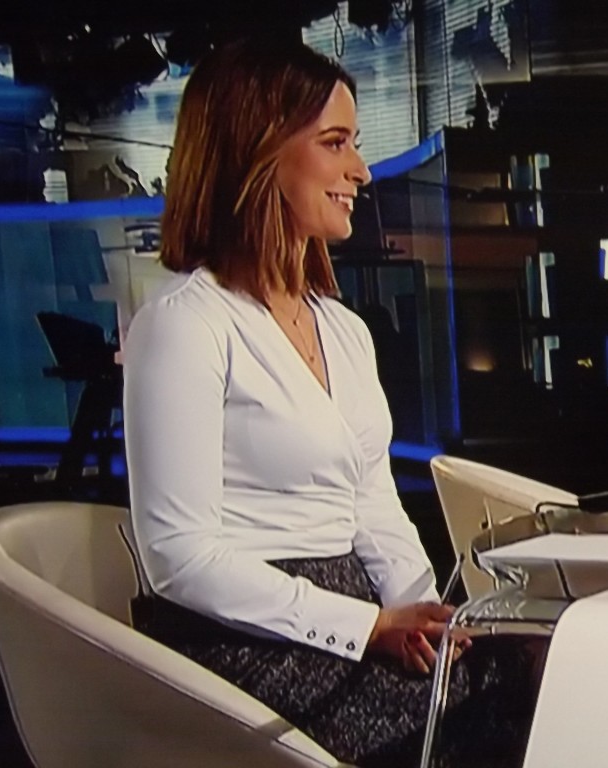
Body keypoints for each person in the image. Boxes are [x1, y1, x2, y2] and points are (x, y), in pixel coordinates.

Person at [122, 40, 538, 767]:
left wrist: (429, 618)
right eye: (336, 143)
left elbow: (372, 503)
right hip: (242, 636)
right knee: (481, 730)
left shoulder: (344, 330)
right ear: (257, 153)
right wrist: (365, 626)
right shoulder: (185, 323)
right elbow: (177, 557)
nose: (361, 171)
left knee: (540, 683)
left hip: (359, 607)